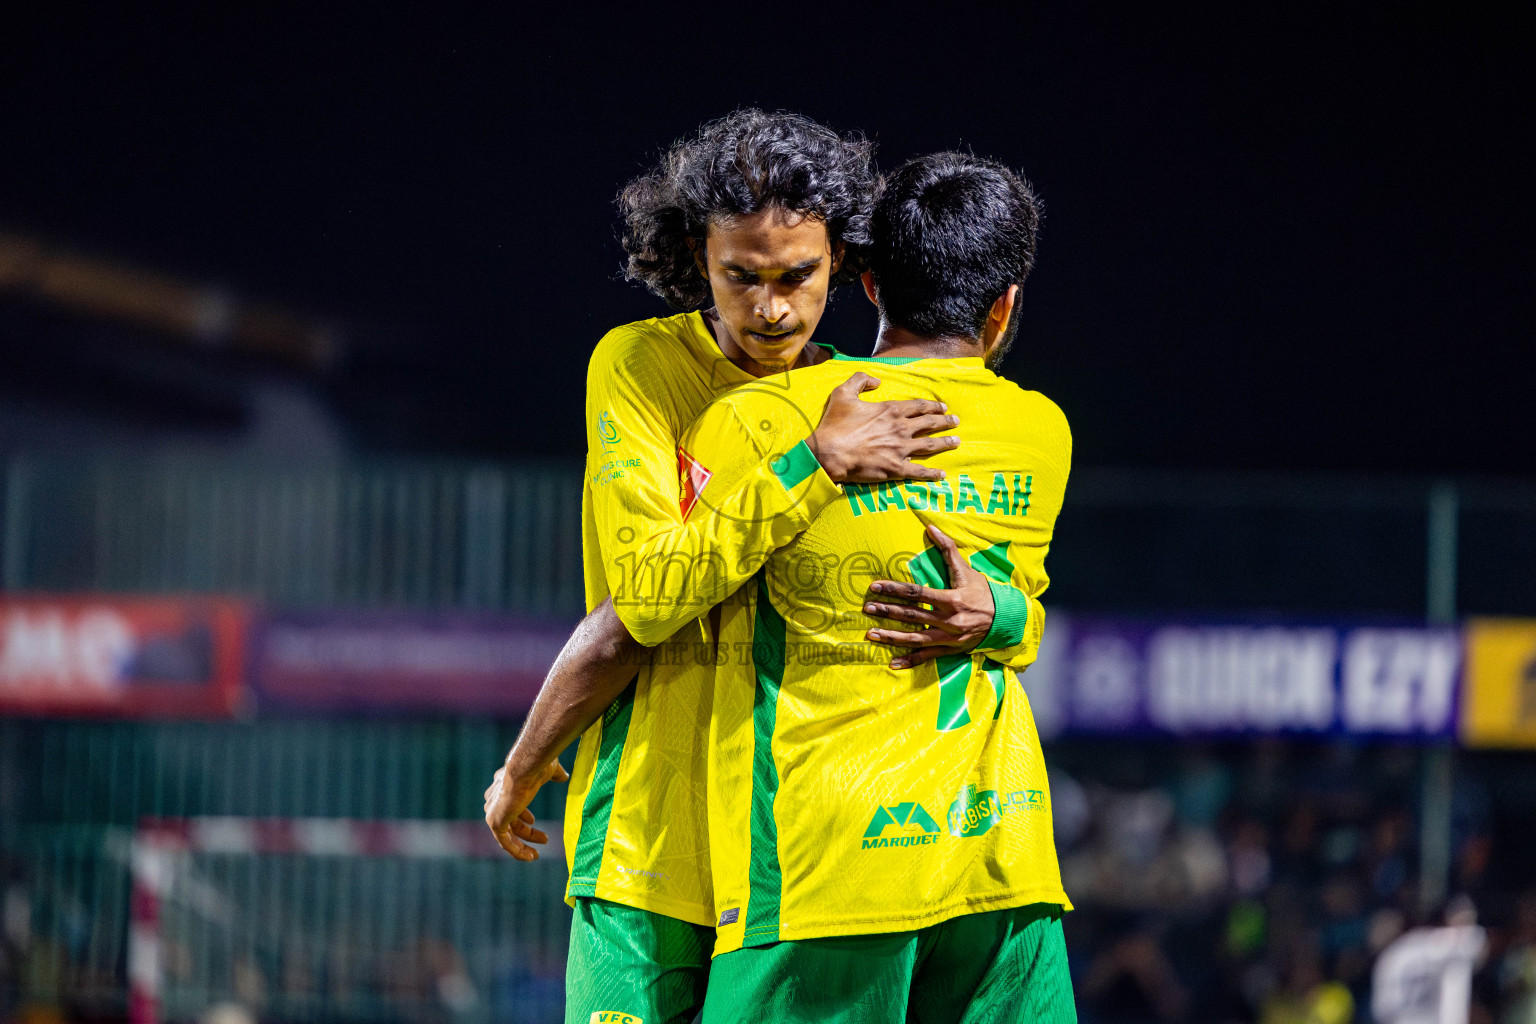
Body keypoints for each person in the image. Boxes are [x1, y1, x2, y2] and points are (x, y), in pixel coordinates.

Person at [482, 111, 1018, 1024]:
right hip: (649, 841)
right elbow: (645, 601)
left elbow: (950, 582)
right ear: (698, 256)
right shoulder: (642, 365)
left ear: (842, 262)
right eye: (742, 276)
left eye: (796, 276)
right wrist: (814, 464)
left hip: (796, 856)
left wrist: (1001, 612)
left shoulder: (866, 402)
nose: (771, 309)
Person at [678, 151, 1075, 1022]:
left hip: (821, 872)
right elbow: (1011, 618)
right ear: (1005, 305)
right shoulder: (1044, 432)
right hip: (1000, 862)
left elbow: (660, 597)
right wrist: (1008, 616)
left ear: (864, 283)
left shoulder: (758, 417)